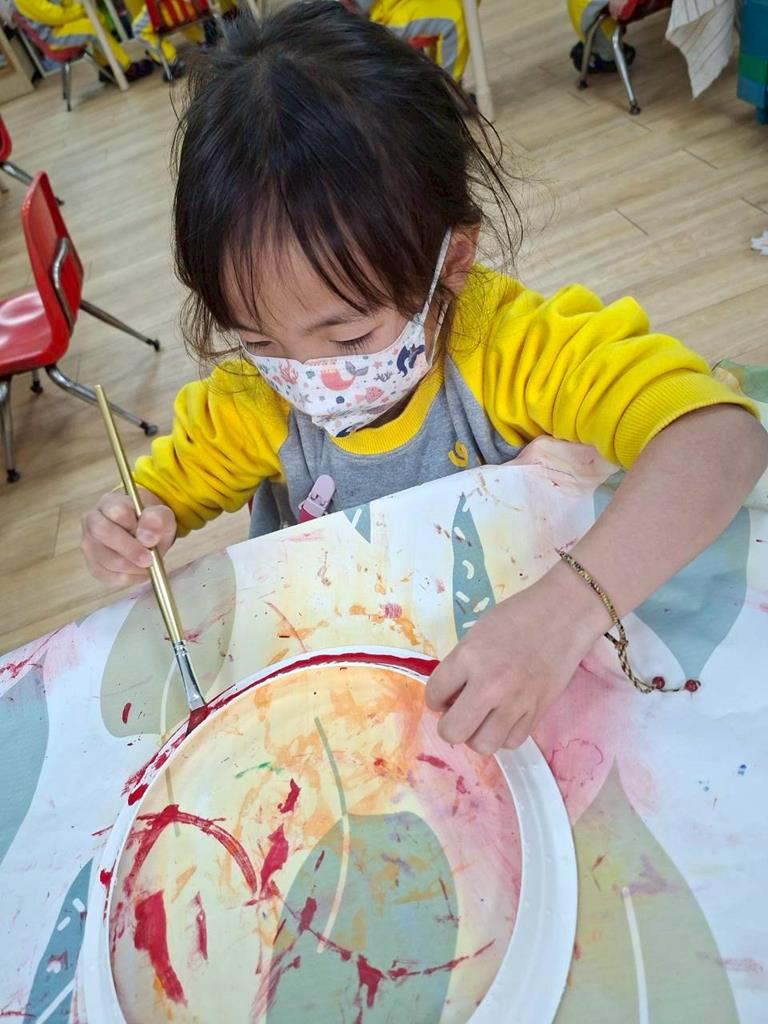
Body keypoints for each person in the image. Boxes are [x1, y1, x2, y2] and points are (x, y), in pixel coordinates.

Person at [81, 2, 768, 758]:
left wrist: (564, 612)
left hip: (510, 675)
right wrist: (134, 520)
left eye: (349, 336)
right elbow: (164, 495)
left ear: (453, 263)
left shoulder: (506, 349)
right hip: (338, 692)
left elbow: (719, 439)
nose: (305, 379)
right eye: (258, 340)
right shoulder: (253, 397)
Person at [11, 0, 182, 80]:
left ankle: (107, 65)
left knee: (97, 17)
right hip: (53, 37)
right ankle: (125, 68)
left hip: (60, 24)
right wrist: (79, 10)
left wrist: (77, 7)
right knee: (92, 27)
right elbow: (52, 16)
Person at [341, 0, 468, 80]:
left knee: (463, 7)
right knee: (454, 20)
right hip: (378, 14)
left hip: (391, 5)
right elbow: (352, 6)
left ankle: (439, 81)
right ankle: (449, 91)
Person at [567, 0, 636, 73]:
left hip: (585, 21)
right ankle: (594, 60)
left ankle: (588, 47)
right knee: (625, 56)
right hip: (599, 32)